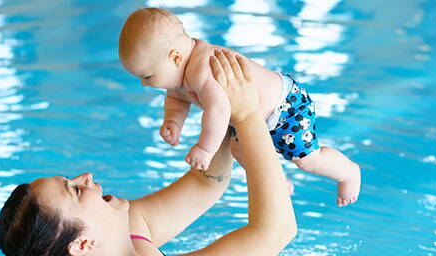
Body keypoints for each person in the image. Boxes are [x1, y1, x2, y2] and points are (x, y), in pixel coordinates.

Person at [0, 50, 297, 256]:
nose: (86, 177)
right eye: (75, 190)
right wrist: (249, 114)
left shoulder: (109, 240)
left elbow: (206, 183)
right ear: (82, 244)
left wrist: (221, 109)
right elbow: (276, 231)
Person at [119, 7, 361, 206]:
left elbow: (218, 110)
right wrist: (173, 122)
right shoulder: (177, 75)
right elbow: (176, 99)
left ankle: (349, 172)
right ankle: (279, 182)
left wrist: (205, 149)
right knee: (240, 152)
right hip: (251, 118)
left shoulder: (204, 68)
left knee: (307, 159)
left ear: (174, 58)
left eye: (148, 76)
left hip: (285, 108)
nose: (143, 83)